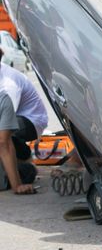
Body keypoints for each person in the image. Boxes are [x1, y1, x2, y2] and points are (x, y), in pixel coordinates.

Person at [0, 47, 48, 194]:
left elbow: (4, 140)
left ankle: (25, 162)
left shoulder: (8, 87)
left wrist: (17, 186)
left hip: (31, 121)